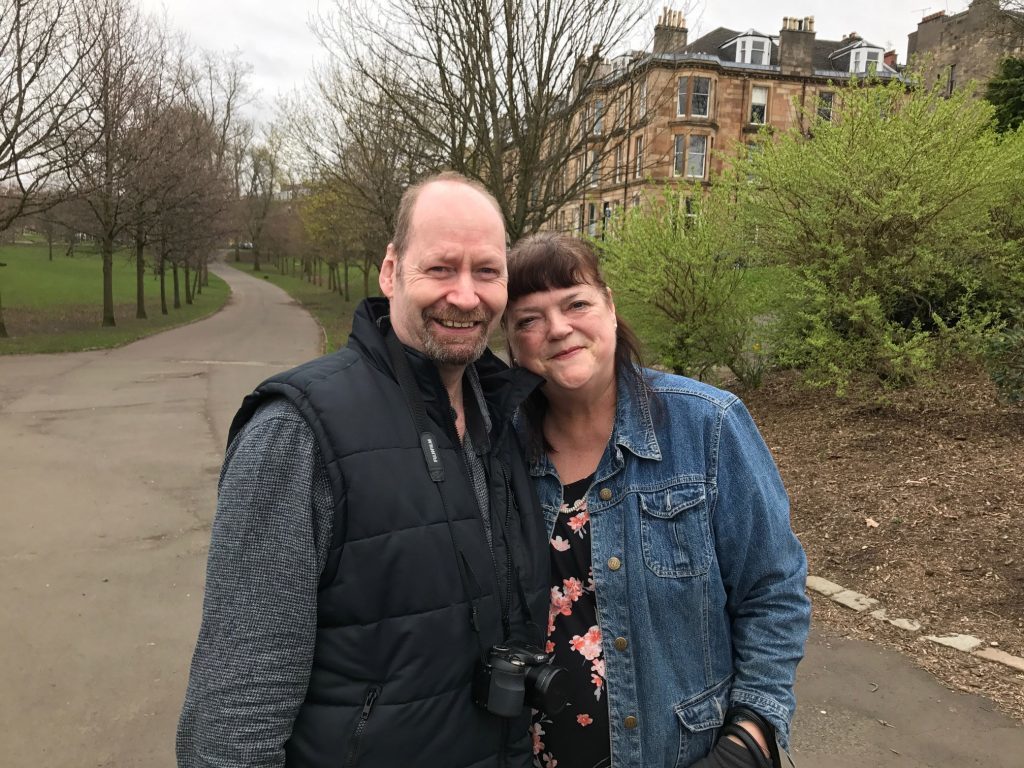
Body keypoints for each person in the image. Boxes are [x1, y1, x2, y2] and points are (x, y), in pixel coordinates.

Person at [176, 173, 551, 768]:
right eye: (440, 268)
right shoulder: (298, 432)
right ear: (390, 271)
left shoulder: (504, 413)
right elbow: (234, 720)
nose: (465, 295)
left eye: (486, 271)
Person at [502, 232, 811, 768]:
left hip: (685, 752)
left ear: (611, 306)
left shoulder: (708, 426)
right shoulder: (496, 450)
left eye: (576, 303)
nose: (557, 328)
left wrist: (751, 735)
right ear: (510, 339)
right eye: (529, 318)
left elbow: (773, 590)